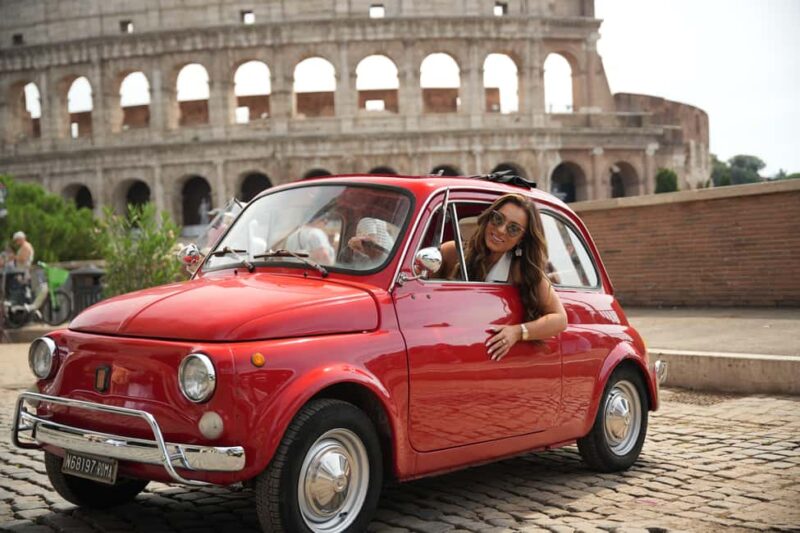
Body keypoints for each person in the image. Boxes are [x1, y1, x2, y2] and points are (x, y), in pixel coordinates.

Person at [439, 194, 567, 361]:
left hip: (493, 359)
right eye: (498, 219)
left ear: (522, 238)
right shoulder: (452, 252)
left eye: (513, 229)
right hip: (446, 346)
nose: (500, 230)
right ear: (489, 217)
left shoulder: (521, 270)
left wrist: (517, 332)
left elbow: (560, 319)